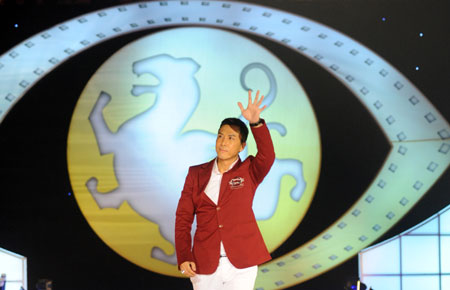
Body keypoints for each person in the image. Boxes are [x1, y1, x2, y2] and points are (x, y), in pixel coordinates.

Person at [175, 90, 275, 290]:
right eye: (220, 136)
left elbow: (268, 155)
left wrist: (256, 123)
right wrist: (184, 256)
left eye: (231, 138)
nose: (223, 142)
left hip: (242, 263)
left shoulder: (249, 170)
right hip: (204, 263)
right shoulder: (196, 174)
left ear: (242, 146)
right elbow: (183, 218)